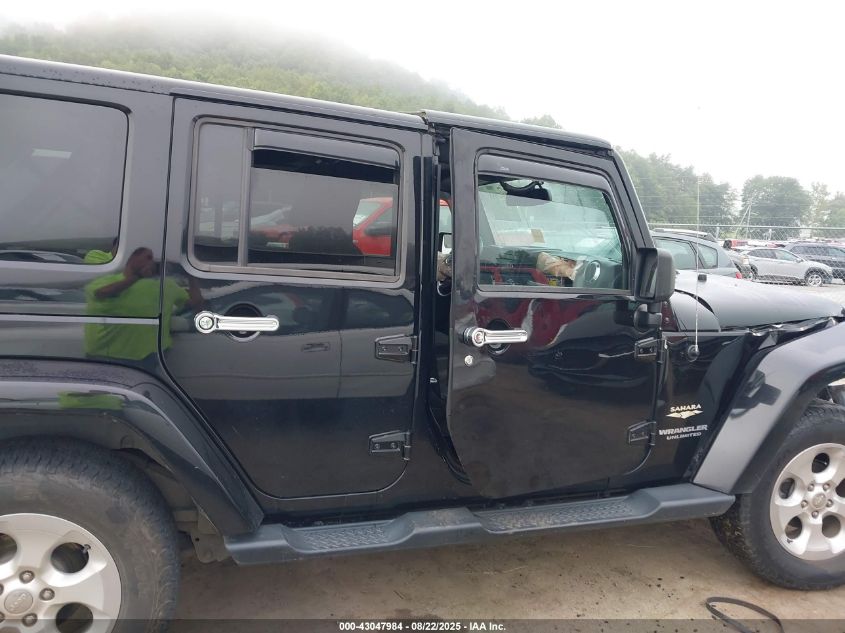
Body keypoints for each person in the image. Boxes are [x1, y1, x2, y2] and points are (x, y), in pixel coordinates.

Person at [84, 247, 202, 370]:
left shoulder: (166, 286)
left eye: (154, 260)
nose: (152, 262)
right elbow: (102, 292)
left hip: (149, 358)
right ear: (132, 258)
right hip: (108, 357)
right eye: (148, 258)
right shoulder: (107, 280)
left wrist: (191, 275)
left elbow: (196, 302)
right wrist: (137, 277)